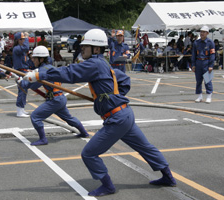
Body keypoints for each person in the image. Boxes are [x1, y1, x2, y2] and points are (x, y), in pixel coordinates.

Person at [24, 29, 176, 197]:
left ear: (96, 49)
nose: (82, 49)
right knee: (145, 147)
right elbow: (124, 79)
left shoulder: (94, 64)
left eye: (85, 46)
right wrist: (112, 97)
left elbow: (69, 73)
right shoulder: (102, 63)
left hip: (117, 119)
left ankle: (108, 186)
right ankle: (168, 177)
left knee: (88, 153)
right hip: (124, 114)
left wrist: (39, 74)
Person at [19, 45, 89, 145]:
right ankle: (84, 133)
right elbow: (34, 86)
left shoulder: (42, 71)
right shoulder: (50, 67)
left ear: (41, 59)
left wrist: (22, 82)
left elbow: (33, 85)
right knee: (69, 119)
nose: (33, 60)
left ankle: (43, 139)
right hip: (59, 98)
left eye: (34, 58)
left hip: (55, 100)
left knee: (35, 116)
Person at [192, 26, 215, 104]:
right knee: (198, 81)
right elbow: (194, 54)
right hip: (198, 62)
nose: (202, 33)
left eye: (204, 32)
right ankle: (199, 96)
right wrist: (193, 65)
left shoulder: (210, 42)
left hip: (206, 62)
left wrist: (211, 65)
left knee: (207, 80)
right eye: (201, 32)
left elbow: (212, 55)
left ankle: (209, 96)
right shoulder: (196, 42)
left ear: (207, 33)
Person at [13, 31, 30, 117]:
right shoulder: (17, 48)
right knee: (22, 90)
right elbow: (26, 47)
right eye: (22, 39)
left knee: (24, 90)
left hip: (24, 71)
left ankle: (22, 108)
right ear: (18, 40)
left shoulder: (20, 49)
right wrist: (27, 38)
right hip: (20, 72)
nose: (24, 40)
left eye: (24, 39)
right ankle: (19, 111)